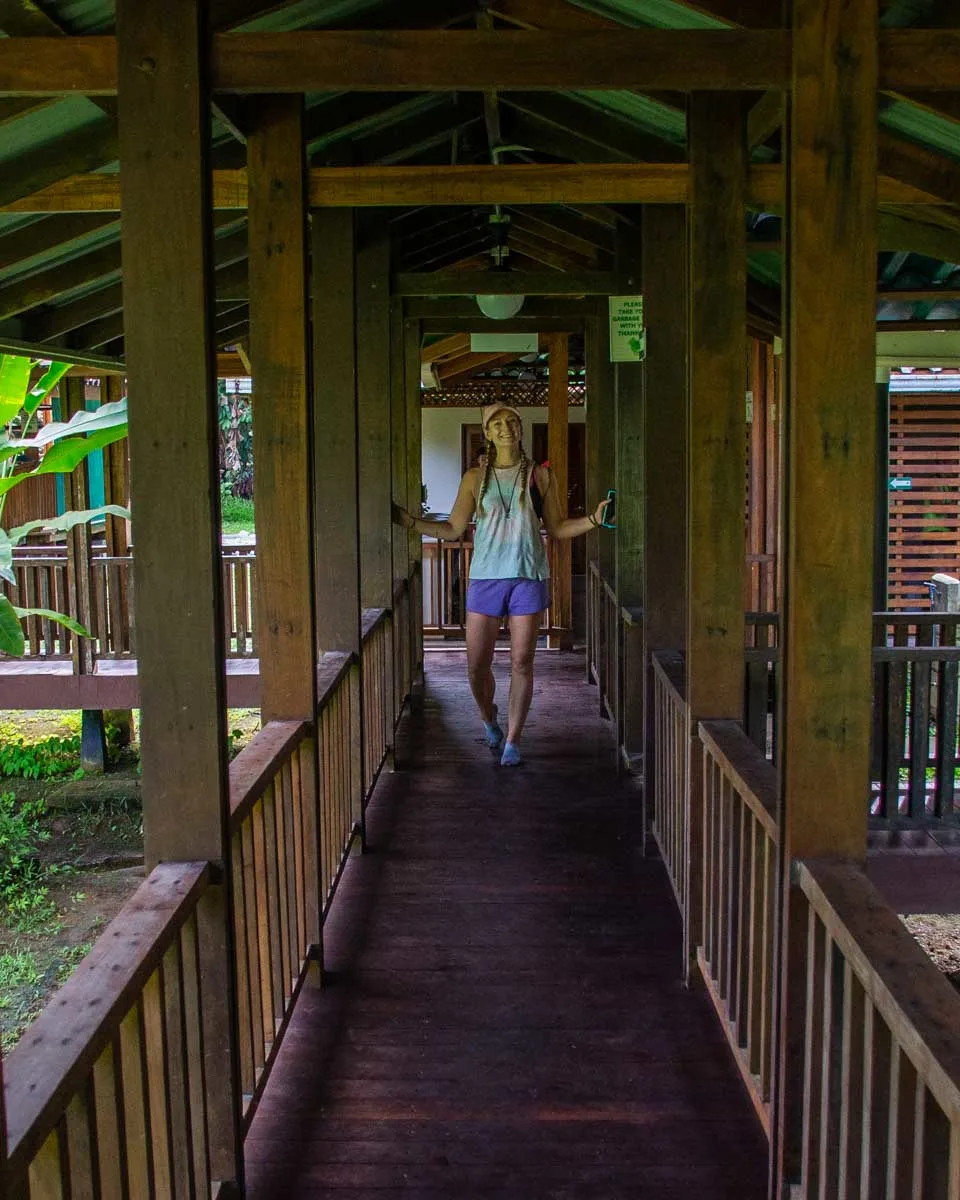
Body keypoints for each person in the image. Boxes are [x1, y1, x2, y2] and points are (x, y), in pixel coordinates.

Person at [393, 402, 613, 767]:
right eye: (497, 423)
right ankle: (488, 718)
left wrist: (593, 518)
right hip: (485, 578)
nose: (507, 427)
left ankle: (513, 739)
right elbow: (452, 529)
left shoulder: (541, 476)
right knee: (476, 666)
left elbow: (557, 529)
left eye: (512, 421)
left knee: (522, 662)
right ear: (488, 433)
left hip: (528, 576)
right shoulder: (474, 479)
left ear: (520, 428)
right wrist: (410, 522)